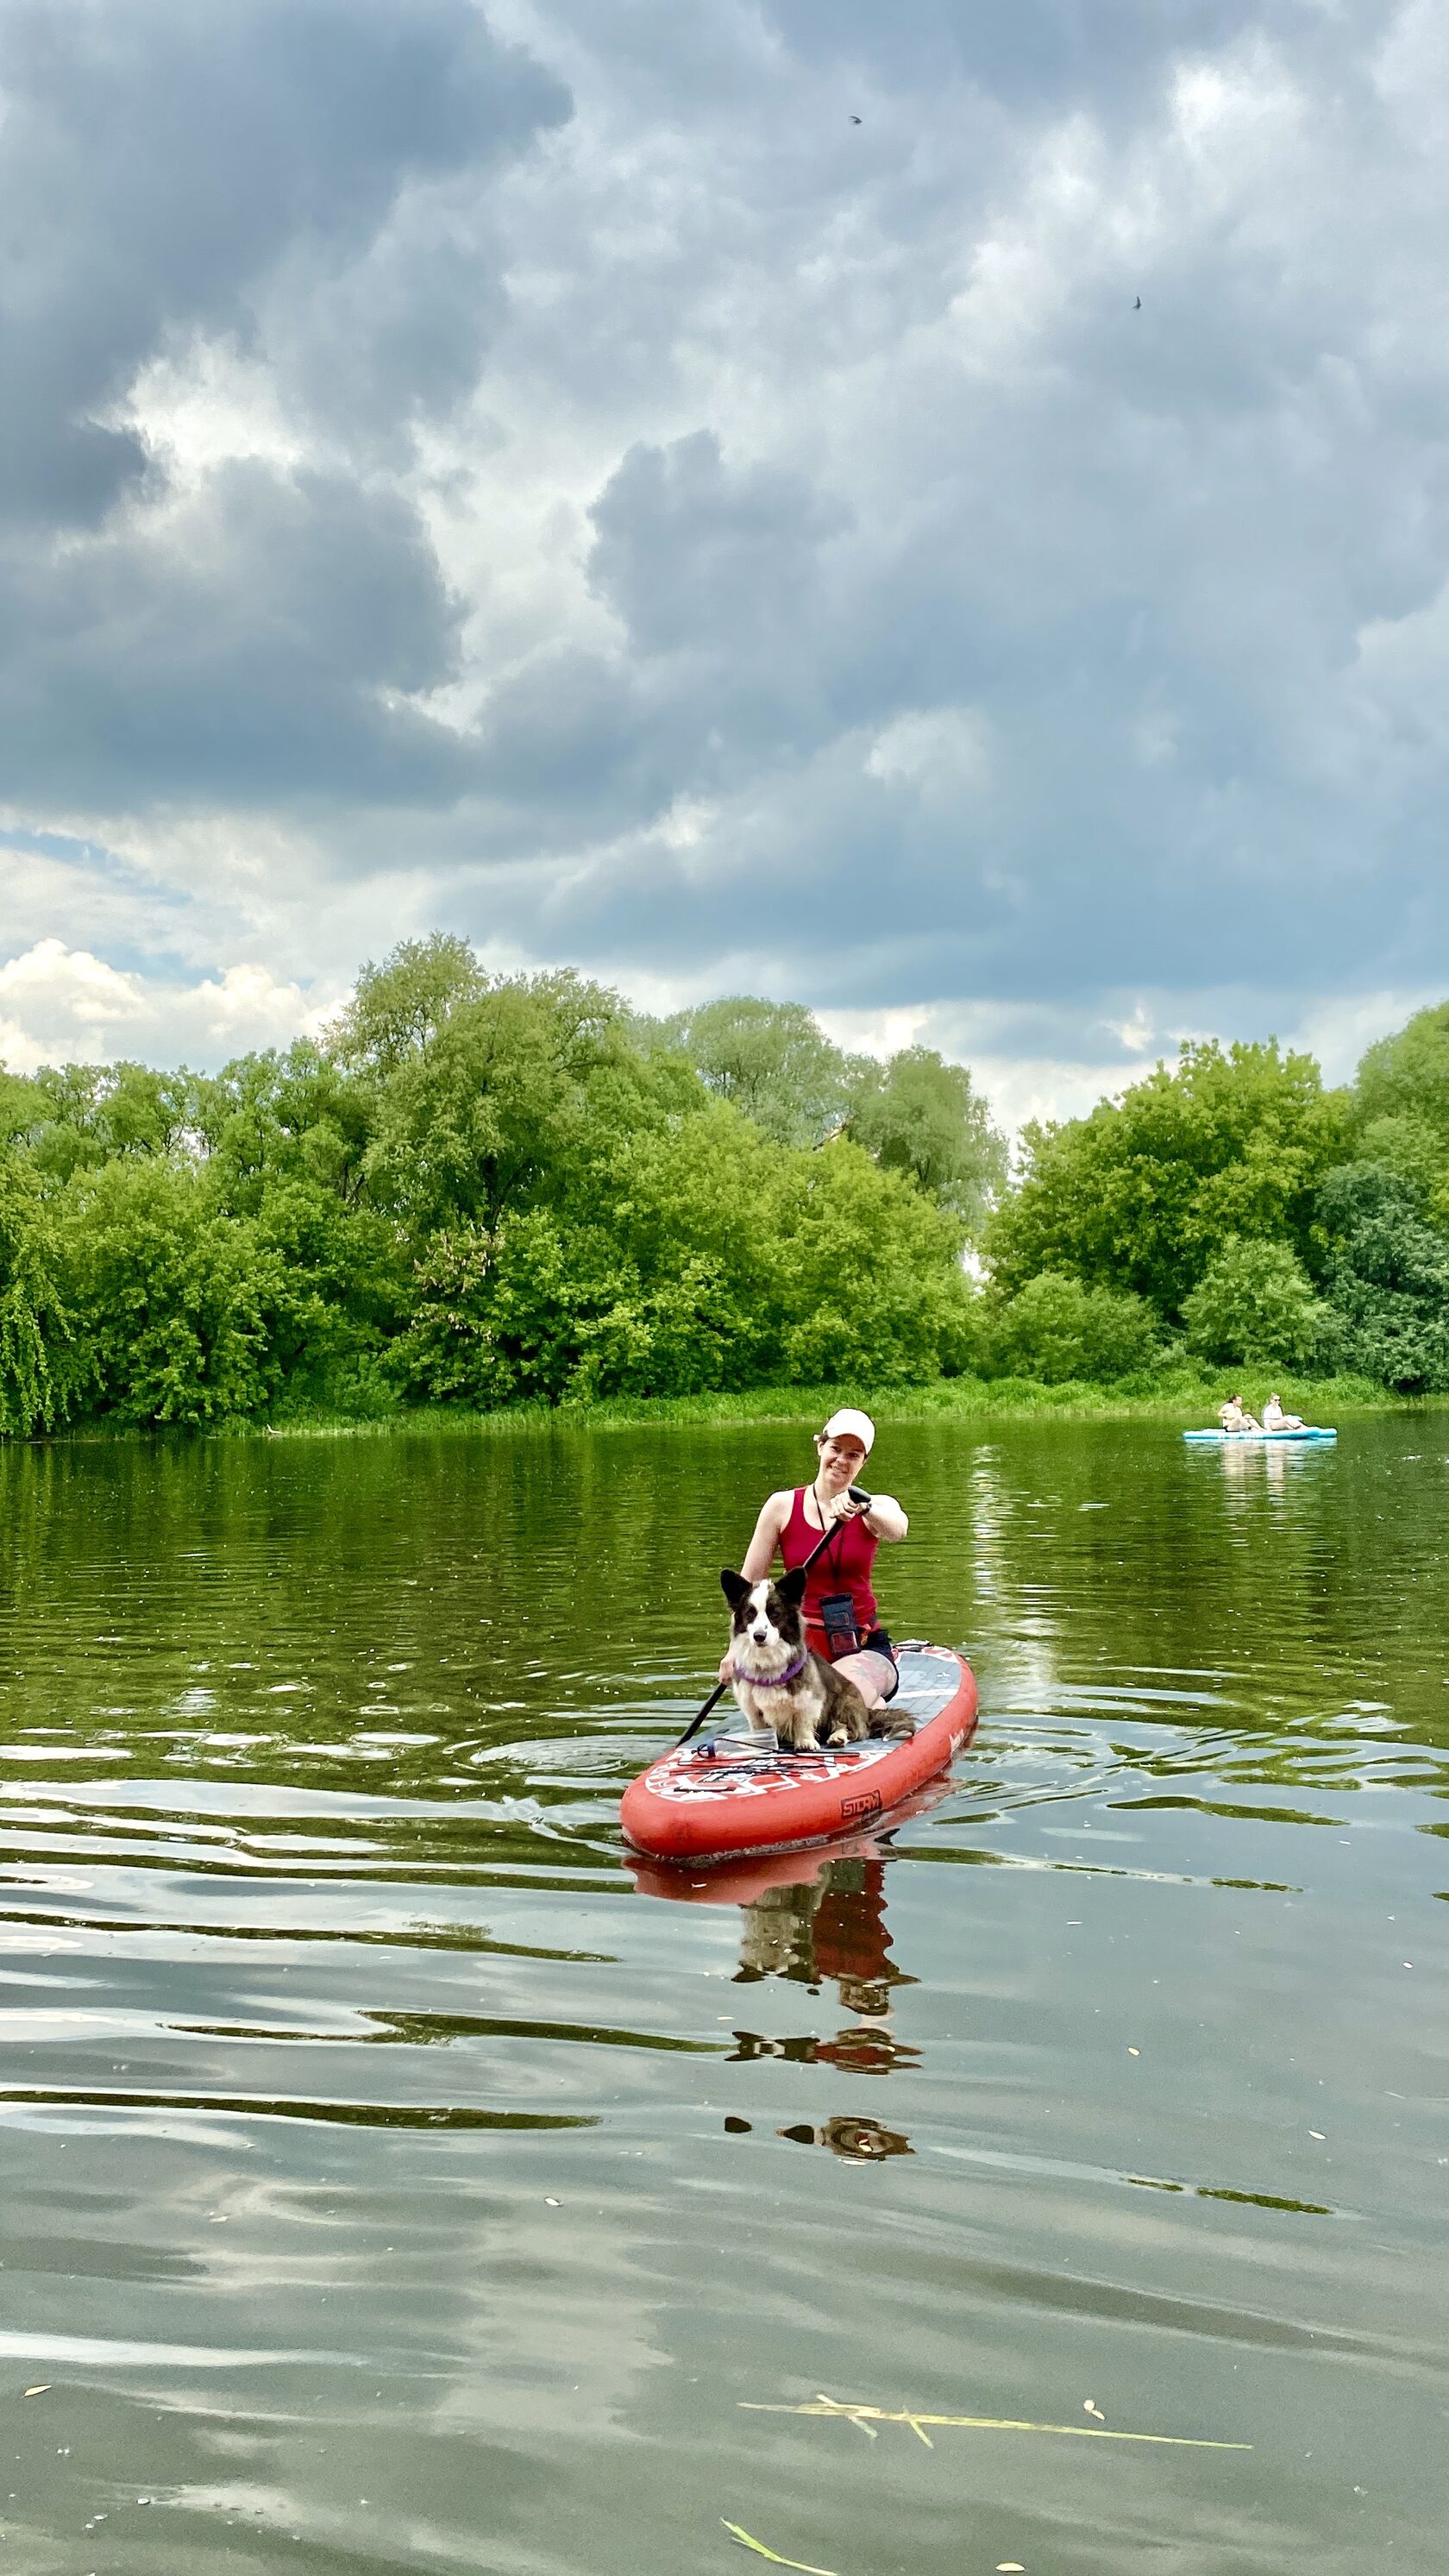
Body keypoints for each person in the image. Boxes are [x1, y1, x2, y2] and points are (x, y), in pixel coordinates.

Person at [718, 1408, 908, 1713]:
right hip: (798, 1651)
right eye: (835, 1449)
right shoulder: (781, 1506)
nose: (842, 1460)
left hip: (863, 1647)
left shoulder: (876, 1506)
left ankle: (869, 1706)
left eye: (854, 1454)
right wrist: (733, 1652)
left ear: (863, 1462)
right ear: (820, 1446)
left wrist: (863, 1507)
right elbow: (748, 1589)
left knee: (836, 1697)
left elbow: (898, 1529)